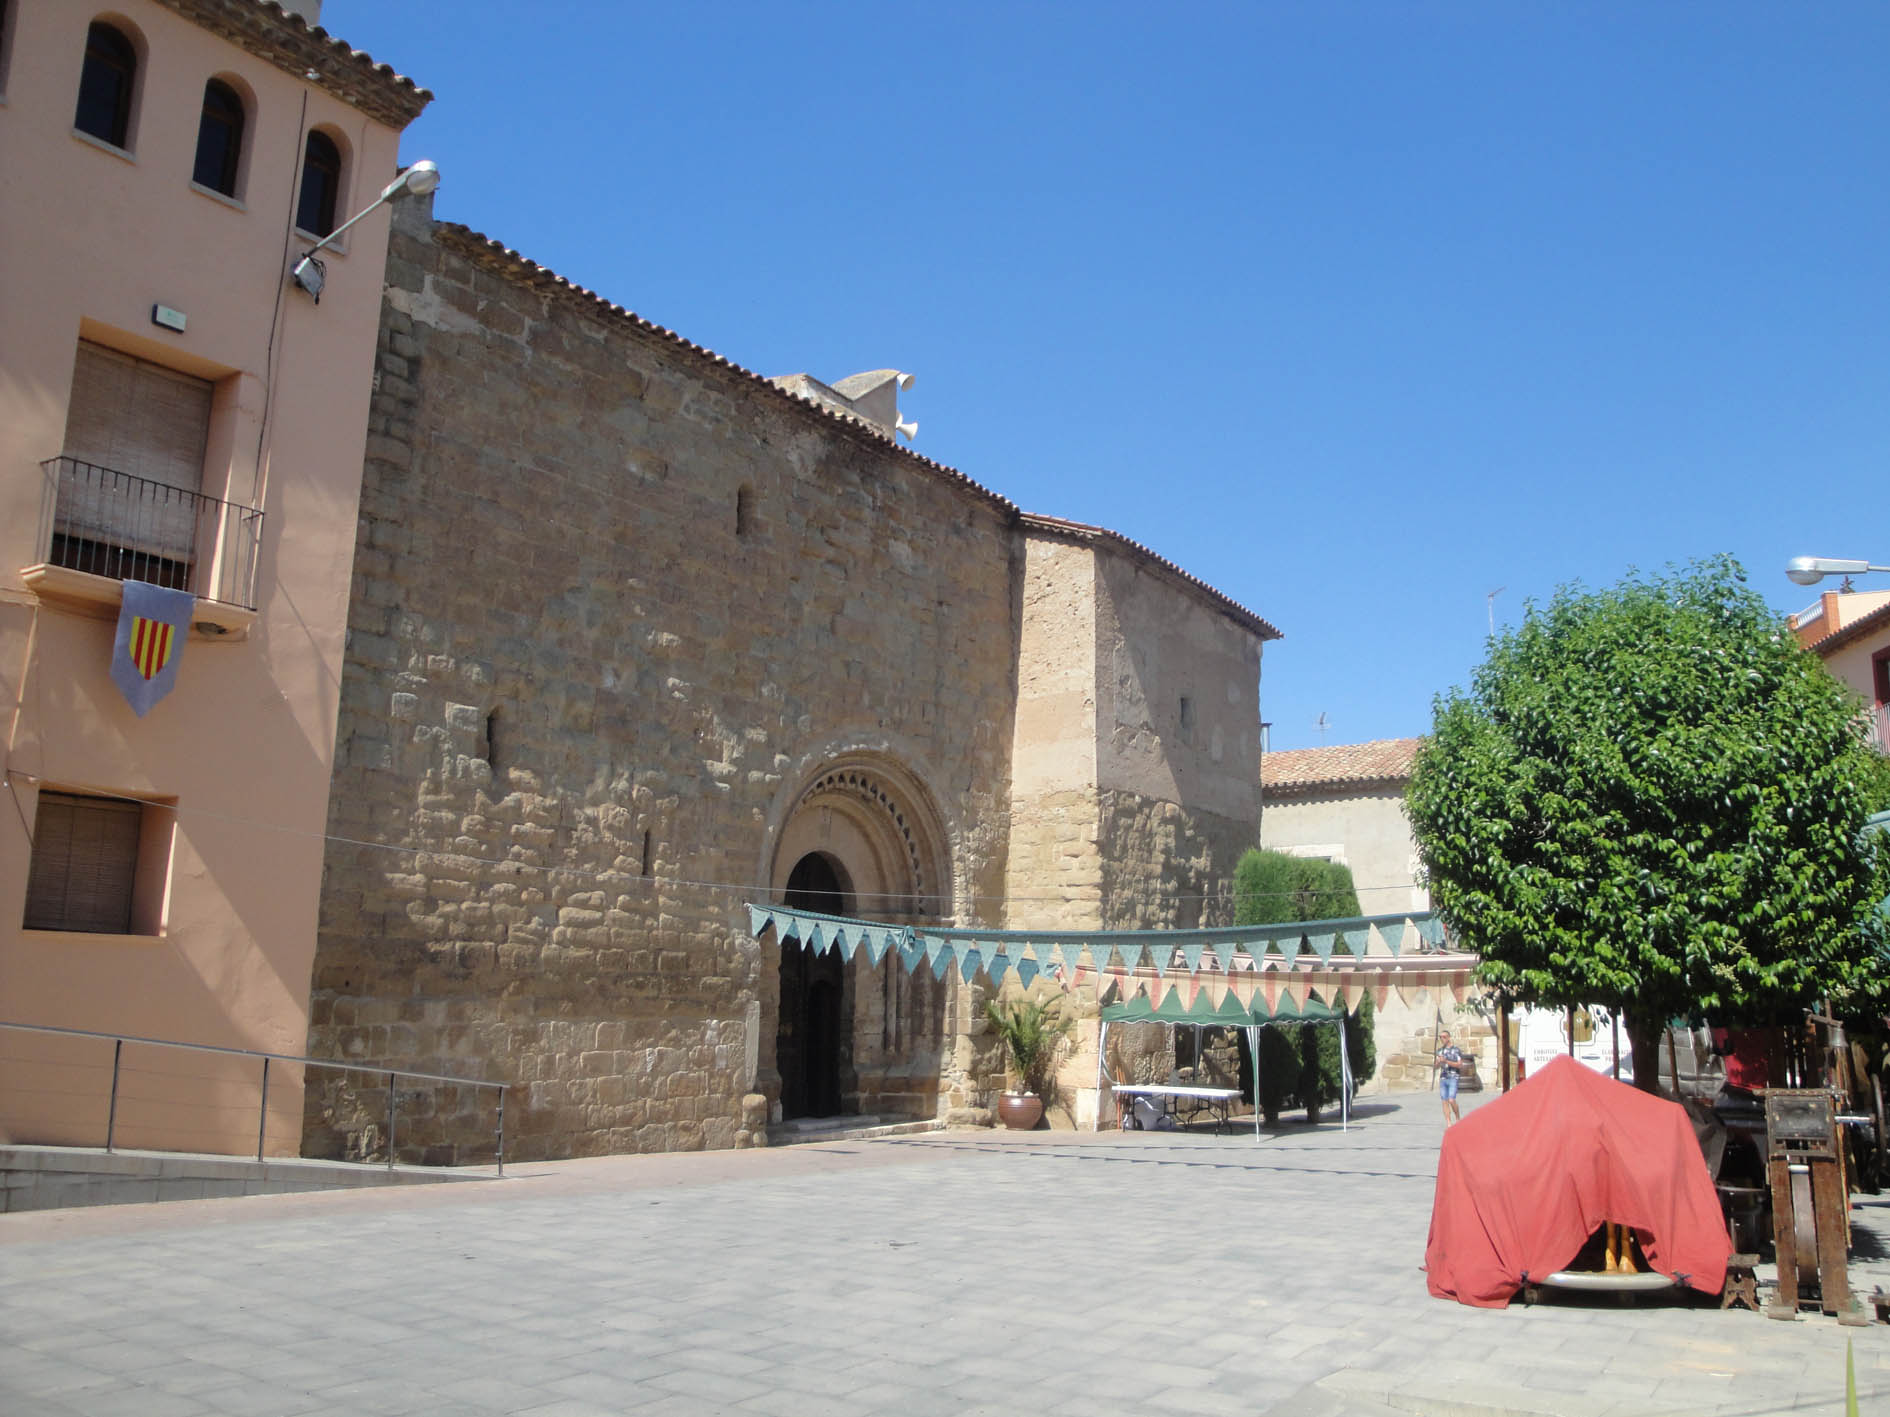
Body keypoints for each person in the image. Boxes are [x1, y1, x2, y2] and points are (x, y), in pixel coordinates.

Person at [1436, 1029, 1464, 1126]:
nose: (1442, 1039)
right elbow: (1435, 1067)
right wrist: (1438, 1062)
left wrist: (1446, 1061)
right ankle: (1448, 1123)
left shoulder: (1456, 1050)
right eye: (1440, 1037)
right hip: (1443, 1078)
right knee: (1444, 1101)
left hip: (1453, 1077)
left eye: (1444, 1037)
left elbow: (1460, 1065)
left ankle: (1457, 1118)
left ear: (1449, 1038)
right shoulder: (1440, 1051)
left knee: (1451, 1099)